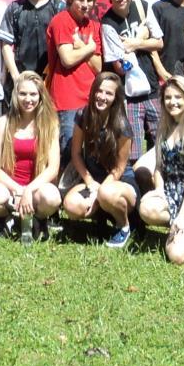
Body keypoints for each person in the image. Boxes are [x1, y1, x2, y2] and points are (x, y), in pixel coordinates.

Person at [0, 71, 62, 242]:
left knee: (52, 198)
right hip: (9, 187)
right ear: (16, 95)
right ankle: (8, 218)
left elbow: (53, 168)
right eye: (23, 94)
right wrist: (18, 190)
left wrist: (29, 190)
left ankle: (39, 219)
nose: (28, 99)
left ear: (40, 96)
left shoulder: (50, 125)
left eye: (33, 94)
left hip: (37, 187)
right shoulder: (4, 122)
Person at [138, 78, 184, 265]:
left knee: (176, 256)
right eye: (168, 98)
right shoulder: (164, 126)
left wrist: (182, 215)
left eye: (178, 97)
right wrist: (159, 191)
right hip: (170, 190)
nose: (173, 102)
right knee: (146, 209)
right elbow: (159, 166)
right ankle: (178, 229)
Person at [61, 71, 138, 248]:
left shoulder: (122, 125)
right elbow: (76, 154)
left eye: (109, 93)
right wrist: (89, 182)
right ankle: (101, 217)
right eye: (99, 91)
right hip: (93, 179)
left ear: (116, 98)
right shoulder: (83, 114)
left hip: (120, 181)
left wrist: (101, 190)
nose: (102, 97)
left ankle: (124, 225)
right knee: (71, 205)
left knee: (106, 193)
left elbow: (119, 168)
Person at [101, 0, 164, 164]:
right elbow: (118, 66)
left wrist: (134, 44)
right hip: (129, 93)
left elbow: (159, 42)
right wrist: (129, 56)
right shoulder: (107, 22)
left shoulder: (143, 7)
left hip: (152, 87)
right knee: (133, 148)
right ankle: (136, 186)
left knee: (162, 140)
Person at [46, 0, 104, 150]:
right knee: (68, 150)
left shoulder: (94, 26)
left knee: (90, 152)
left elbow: (98, 67)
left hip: (90, 98)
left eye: (89, 0)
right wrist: (88, 48)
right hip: (66, 99)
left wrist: (79, 46)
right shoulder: (62, 20)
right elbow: (67, 59)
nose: (85, 4)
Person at [0, 0, 61, 83]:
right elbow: (6, 44)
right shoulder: (15, 8)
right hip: (22, 80)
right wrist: (16, 76)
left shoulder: (59, 7)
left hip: (52, 80)